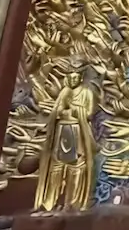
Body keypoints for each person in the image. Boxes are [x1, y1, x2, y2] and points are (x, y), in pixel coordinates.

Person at [34, 66, 96, 212]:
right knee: (56, 166)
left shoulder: (86, 93)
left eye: (75, 78)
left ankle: (72, 202)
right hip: (62, 131)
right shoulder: (64, 92)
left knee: (76, 166)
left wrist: (73, 108)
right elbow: (57, 111)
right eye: (70, 77)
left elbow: (88, 113)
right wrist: (61, 111)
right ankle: (50, 202)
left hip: (77, 130)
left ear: (81, 78)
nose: (72, 80)